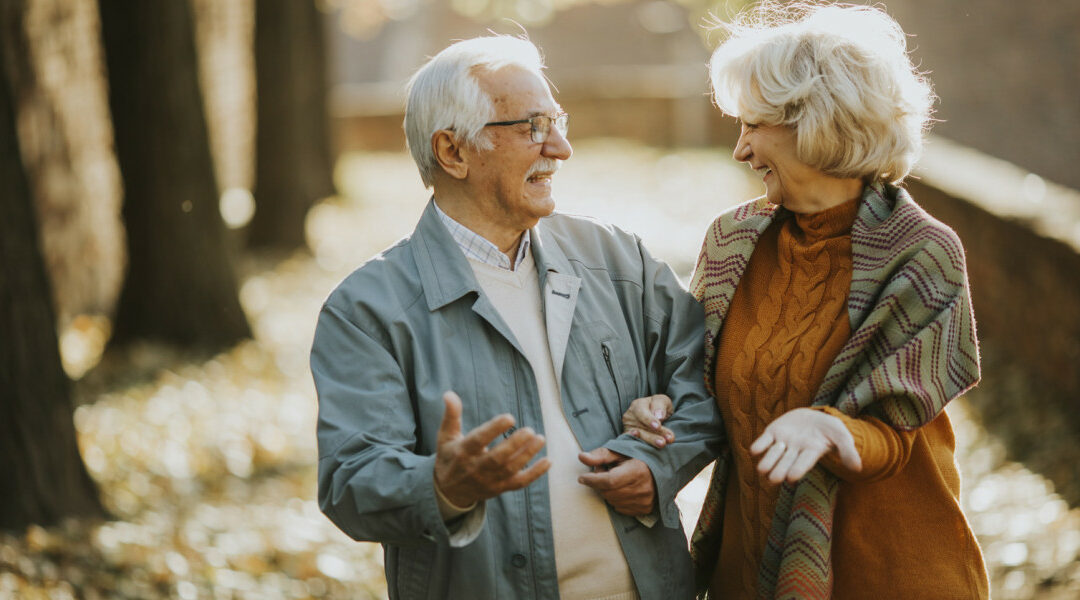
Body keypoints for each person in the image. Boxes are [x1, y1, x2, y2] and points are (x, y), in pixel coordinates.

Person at [310, 35, 724, 600]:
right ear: (453, 152)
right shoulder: (367, 310)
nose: (560, 148)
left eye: (558, 121)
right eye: (532, 127)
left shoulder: (616, 259)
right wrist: (443, 487)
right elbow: (350, 483)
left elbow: (708, 376)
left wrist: (660, 462)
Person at [623, 3, 989, 599]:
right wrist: (658, 406)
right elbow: (696, 385)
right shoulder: (730, 243)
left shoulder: (921, 255)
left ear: (817, 120)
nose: (740, 150)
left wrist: (830, 430)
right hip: (745, 573)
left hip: (890, 577)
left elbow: (893, 434)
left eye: (752, 126)